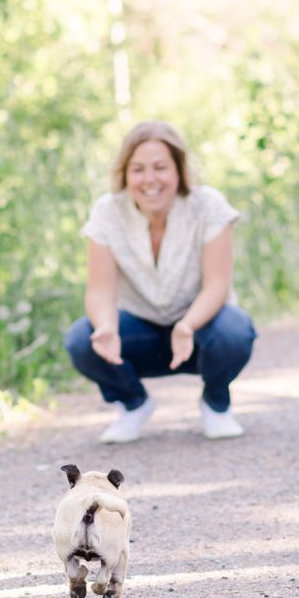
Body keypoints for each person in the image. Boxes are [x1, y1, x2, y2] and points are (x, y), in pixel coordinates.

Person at [63, 120, 256, 443]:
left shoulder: (208, 205)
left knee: (235, 330)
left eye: (160, 167)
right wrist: (106, 327)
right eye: (138, 169)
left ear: (179, 170)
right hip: (141, 329)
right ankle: (133, 404)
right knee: (81, 339)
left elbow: (217, 286)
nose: (149, 179)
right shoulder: (107, 212)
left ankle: (216, 403)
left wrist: (187, 325)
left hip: (201, 328)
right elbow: (99, 291)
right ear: (125, 174)